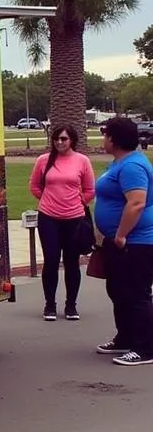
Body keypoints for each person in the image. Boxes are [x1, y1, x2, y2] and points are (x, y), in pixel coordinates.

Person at [94, 116, 153, 365]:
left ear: (114, 139)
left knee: (137, 293)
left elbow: (137, 202)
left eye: (105, 134)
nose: (102, 139)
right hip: (120, 241)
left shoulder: (132, 166)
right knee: (119, 290)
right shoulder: (120, 163)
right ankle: (126, 338)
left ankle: (146, 348)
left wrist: (120, 234)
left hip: (136, 241)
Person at [29, 124, 96, 321]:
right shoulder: (43, 160)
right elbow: (34, 186)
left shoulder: (82, 161)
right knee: (50, 260)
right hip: (49, 218)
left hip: (74, 218)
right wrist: (48, 199)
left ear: (72, 140)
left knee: (71, 262)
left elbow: (90, 189)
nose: (59, 142)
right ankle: (50, 304)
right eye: (57, 138)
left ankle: (71, 305)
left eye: (64, 139)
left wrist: (77, 202)